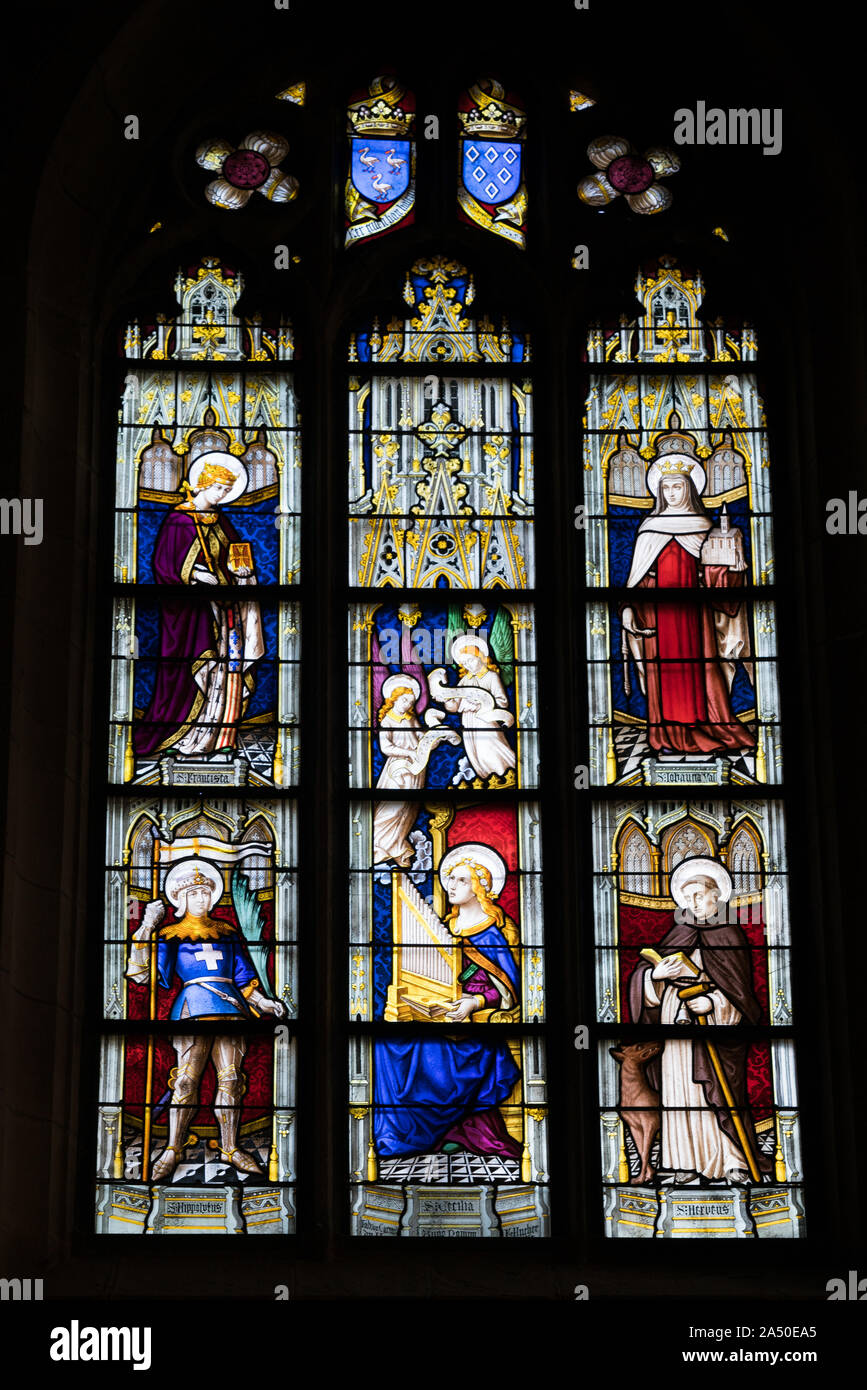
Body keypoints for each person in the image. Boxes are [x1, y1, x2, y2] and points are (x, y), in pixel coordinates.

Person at [126, 858, 285, 1181]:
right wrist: (147, 925)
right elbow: (144, 975)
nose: (202, 898)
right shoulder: (169, 935)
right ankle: (173, 1149)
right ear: (181, 899)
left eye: (206, 892)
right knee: (185, 1081)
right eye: (195, 893)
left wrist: (263, 1002)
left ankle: (230, 1146)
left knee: (231, 1080)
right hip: (191, 1009)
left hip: (230, 1009)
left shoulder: (226, 933)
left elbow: (242, 976)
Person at [625, 855, 770, 1185]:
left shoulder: (729, 935)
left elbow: (742, 996)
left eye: (699, 895)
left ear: (716, 894)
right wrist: (654, 976)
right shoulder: (680, 932)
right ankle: (685, 1163)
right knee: (680, 1095)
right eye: (686, 897)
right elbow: (644, 982)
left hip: (714, 1030)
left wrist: (715, 1002)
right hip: (675, 1023)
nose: (692, 902)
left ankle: (733, 1161)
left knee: (715, 1092)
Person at [374, 844, 522, 1161]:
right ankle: (400, 1133)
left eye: (461, 880)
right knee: (386, 1043)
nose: (451, 886)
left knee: (421, 1049)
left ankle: (440, 1131)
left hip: (473, 1031)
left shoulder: (490, 934)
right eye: (450, 879)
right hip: (440, 1017)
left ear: (481, 887)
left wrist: (475, 1002)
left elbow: (509, 988)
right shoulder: (444, 927)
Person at [621, 417, 754, 758]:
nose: (671, 493)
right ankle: (666, 734)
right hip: (659, 617)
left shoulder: (704, 527)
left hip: (695, 617)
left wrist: (733, 568)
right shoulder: (649, 528)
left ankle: (703, 726)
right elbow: (638, 578)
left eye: (677, 487)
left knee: (699, 671)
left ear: (690, 489)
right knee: (665, 675)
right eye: (666, 488)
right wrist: (629, 608)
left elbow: (715, 582)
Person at [134, 451, 265, 760]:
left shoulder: (221, 522)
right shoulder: (178, 519)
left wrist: (243, 574)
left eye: (228, 490)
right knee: (199, 671)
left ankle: (219, 738)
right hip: (193, 617)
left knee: (228, 672)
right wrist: (193, 575)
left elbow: (235, 560)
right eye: (220, 488)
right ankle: (189, 736)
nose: (224, 495)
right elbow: (163, 565)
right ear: (204, 484)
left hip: (226, 611)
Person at [371, 676, 458, 866]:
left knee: (408, 809)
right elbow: (386, 747)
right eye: (404, 700)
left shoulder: (411, 719)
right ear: (394, 698)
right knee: (392, 807)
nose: (407, 705)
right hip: (397, 769)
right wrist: (408, 753)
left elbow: (421, 738)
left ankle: (397, 847)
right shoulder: (388, 720)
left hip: (416, 770)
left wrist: (435, 737)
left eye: (410, 702)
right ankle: (378, 843)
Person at [432, 634, 516, 781]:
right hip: (469, 724)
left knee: (489, 751)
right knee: (476, 755)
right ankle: (489, 780)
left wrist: (481, 703)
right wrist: (446, 699)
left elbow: (503, 702)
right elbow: (454, 707)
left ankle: (505, 776)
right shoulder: (465, 680)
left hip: (486, 722)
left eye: (470, 660)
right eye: (464, 663)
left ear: (481, 656)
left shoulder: (491, 677)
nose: (468, 665)